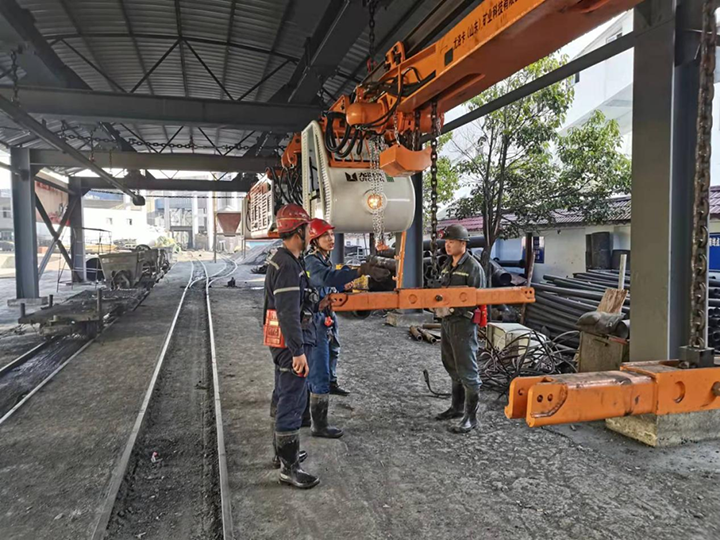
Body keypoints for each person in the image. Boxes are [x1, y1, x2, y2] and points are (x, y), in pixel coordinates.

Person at [304, 218, 390, 438]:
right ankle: (319, 425)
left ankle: (325, 391)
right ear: (314, 240)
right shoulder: (312, 261)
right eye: (325, 236)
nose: (331, 239)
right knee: (318, 369)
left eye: (331, 235)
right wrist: (358, 271)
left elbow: (332, 282)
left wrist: (347, 284)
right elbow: (325, 279)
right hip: (315, 319)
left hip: (327, 315)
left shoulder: (325, 259)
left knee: (332, 353)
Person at [263, 204, 326, 489]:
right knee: (292, 399)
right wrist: (298, 351)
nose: (310, 232)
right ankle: (289, 468)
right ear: (298, 230)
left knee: (282, 393)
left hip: (284, 339)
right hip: (291, 342)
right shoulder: (288, 265)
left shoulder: (286, 259)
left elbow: (295, 303)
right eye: (307, 228)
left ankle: (282, 453)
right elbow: (287, 312)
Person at [434, 224, 486, 434]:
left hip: (463, 324)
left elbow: (479, 297)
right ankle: (456, 408)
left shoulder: (473, 267)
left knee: (467, 369)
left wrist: (456, 308)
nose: (447, 245)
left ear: (463, 244)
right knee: (451, 363)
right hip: (447, 321)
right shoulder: (448, 265)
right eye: (446, 242)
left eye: (452, 242)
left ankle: (471, 418)